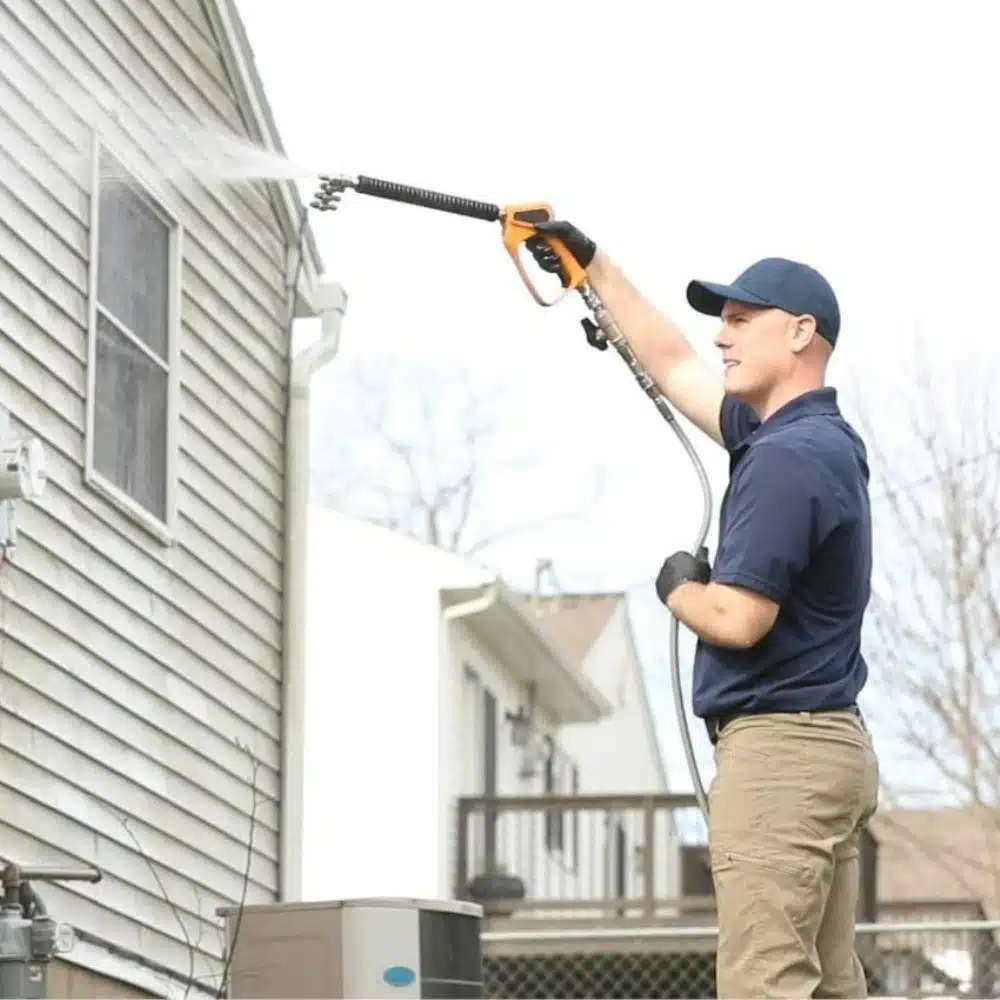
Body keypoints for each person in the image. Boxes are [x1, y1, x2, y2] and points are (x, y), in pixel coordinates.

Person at [527, 222, 880, 999]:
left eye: (742, 320)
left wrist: (678, 587)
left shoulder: (785, 459)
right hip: (827, 745)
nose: (722, 336)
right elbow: (674, 363)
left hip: (782, 754)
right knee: (827, 987)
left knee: (763, 984)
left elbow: (738, 620)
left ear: (800, 333)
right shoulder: (811, 439)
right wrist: (595, 270)